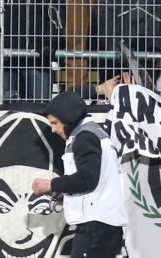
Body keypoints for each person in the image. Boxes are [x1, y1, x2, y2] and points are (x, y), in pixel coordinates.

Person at [32, 91, 127, 258]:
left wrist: (52, 184)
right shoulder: (92, 133)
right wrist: (66, 192)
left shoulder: (84, 137)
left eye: (55, 123)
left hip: (96, 226)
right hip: (102, 225)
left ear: (68, 118)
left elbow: (87, 178)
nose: (53, 130)